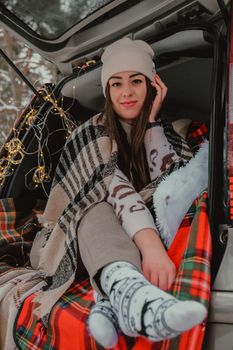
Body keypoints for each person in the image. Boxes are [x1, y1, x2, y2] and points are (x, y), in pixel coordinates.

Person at [72, 37, 208, 347]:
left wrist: (151, 124)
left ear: (152, 86)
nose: (127, 92)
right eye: (117, 84)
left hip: (124, 238)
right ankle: (126, 294)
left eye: (136, 80)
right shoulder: (91, 132)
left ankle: (113, 306)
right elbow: (116, 189)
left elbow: (171, 187)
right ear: (107, 91)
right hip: (78, 237)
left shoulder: (162, 130)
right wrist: (151, 248)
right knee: (97, 208)